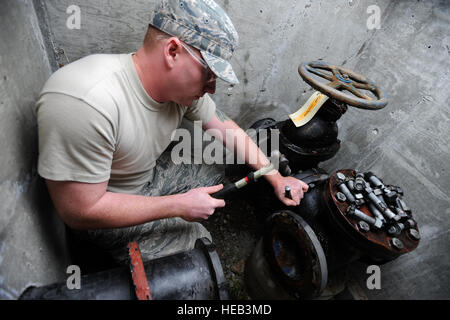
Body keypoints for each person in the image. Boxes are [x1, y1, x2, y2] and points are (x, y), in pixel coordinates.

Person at [36, 0, 308, 264]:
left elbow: (225, 127)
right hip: (105, 213)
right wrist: (178, 206)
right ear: (173, 51)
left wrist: (273, 176)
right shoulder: (87, 101)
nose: (212, 88)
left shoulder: (179, 93)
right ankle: (107, 262)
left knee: (215, 172)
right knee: (200, 253)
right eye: (209, 74)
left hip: (146, 177)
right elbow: (79, 212)